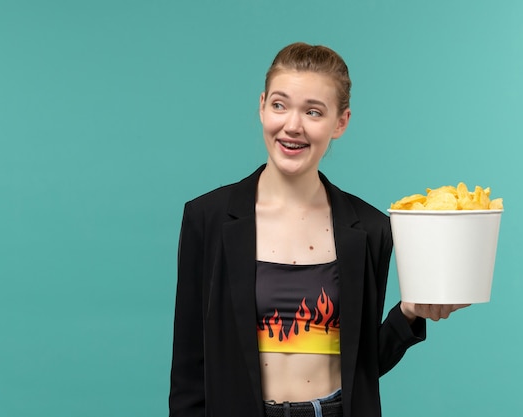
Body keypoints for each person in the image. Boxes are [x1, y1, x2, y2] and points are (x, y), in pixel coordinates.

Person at [169, 42, 467, 417]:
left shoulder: (371, 229)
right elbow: (189, 370)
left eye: (313, 111)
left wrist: (408, 314)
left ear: (340, 123)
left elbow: (362, 367)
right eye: (279, 104)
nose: (292, 125)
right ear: (261, 106)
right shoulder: (207, 218)